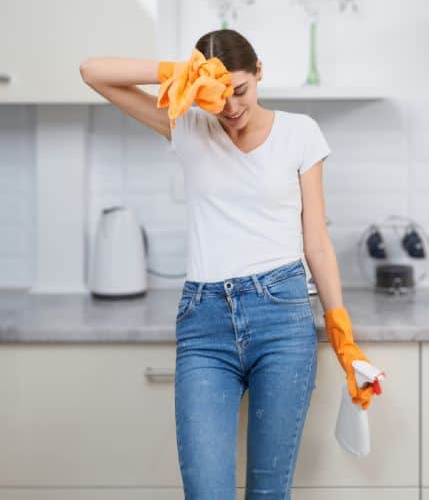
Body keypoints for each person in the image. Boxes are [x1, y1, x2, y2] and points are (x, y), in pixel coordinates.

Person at [79, 28, 376, 500]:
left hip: (282, 317)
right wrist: (180, 74)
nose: (231, 107)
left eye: (240, 90)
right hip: (205, 324)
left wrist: (342, 333)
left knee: (267, 493)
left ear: (259, 73)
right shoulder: (188, 125)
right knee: (205, 493)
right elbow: (92, 72)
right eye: (218, 96)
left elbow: (316, 240)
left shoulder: (300, 133)